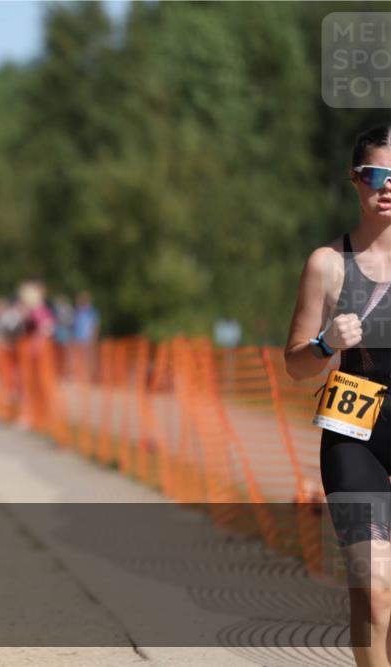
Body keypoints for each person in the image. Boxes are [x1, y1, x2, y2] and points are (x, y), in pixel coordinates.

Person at [284, 124, 391, 666]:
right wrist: (326, 344)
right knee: (373, 588)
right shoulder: (327, 264)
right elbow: (295, 366)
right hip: (358, 435)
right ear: (356, 181)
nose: (388, 186)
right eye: (377, 174)